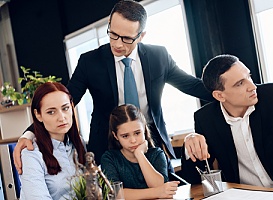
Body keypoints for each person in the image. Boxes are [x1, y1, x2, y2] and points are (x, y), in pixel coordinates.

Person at [14, 0, 212, 173]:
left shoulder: (158, 56)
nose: (117, 44)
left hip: (149, 141)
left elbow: (191, 85)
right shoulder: (90, 62)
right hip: (108, 147)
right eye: (113, 34)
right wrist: (29, 132)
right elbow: (66, 100)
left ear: (141, 36)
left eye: (126, 38)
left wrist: (229, 92)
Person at [181, 54, 273, 190]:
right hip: (244, 195)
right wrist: (190, 145)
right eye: (240, 83)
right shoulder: (206, 119)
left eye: (249, 76)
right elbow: (195, 178)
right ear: (219, 95)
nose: (252, 86)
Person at [19, 82, 86, 199]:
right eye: (51, 112)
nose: (61, 117)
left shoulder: (78, 143)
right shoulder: (31, 154)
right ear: (38, 115)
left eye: (65, 108)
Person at [101, 104, 179, 199]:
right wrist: (156, 192)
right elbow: (116, 193)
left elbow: (158, 185)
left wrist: (139, 154)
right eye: (125, 136)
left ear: (144, 130)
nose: (133, 140)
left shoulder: (157, 154)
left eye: (137, 133)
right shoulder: (109, 158)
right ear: (115, 136)